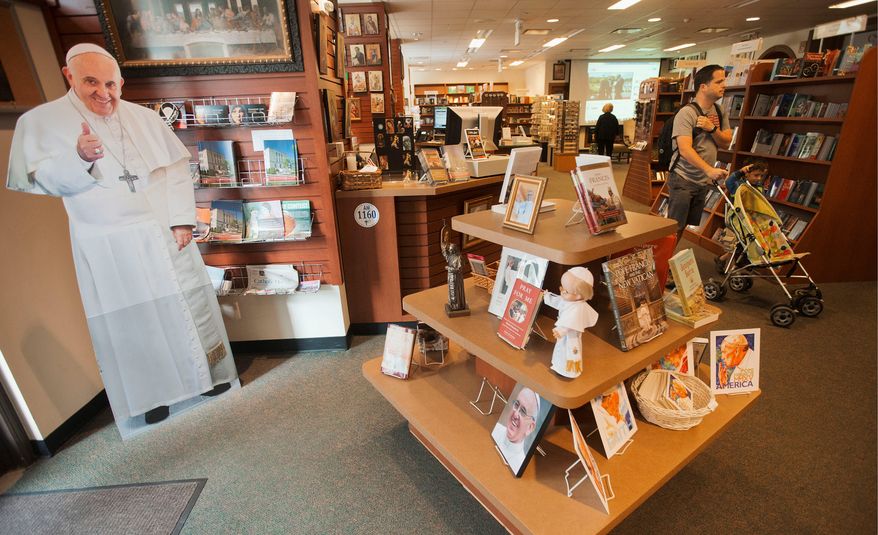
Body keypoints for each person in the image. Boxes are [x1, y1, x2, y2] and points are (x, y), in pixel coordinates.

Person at [6, 44, 238, 435]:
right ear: (69, 77)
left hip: (162, 232)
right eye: (91, 82)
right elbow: (44, 181)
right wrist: (79, 157)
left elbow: (176, 170)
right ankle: (153, 397)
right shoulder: (43, 122)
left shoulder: (145, 118)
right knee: (135, 320)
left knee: (188, 306)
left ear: (121, 82)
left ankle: (207, 378)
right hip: (107, 242)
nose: (103, 93)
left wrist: (182, 220)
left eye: (110, 83)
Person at [667, 64, 733, 250]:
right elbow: (685, 149)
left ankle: (667, 264)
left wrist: (712, 129)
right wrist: (709, 170)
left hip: (702, 181)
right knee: (674, 226)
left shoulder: (720, 112)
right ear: (703, 86)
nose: (724, 85)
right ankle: (661, 268)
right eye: (719, 81)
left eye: (724, 81)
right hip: (683, 178)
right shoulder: (687, 113)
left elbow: (726, 141)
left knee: (684, 225)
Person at [544, 267, 599, 378]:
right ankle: (559, 365)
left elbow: (572, 322)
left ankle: (569, 370)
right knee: (561, 348)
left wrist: (562, 330)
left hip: (571, 335)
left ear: (579, 295)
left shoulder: (578, 308)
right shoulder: (569, 300)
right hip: (564, 333)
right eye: (562, 289)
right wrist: (546, 296)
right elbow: (559, 301)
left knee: (569, 351)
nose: (562, 293)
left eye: (566, 291)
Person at [716, 159, 769, 271]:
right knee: (733, 245)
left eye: (761, 175)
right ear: (747, 174)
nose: (759, 178)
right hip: (737, 219)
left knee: (742, 245)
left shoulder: (759, 187)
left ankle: (722, 259)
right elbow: (729, 181)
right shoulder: (739, 186)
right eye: (756, 175)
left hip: (750, 220)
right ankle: (731, 269)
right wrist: (740, 171)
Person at [491, 387, 541, 471]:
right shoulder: (496, 430)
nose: (516, 414)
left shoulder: (519, 464)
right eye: (516, 405)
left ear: (530, 427)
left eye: (523, 412)